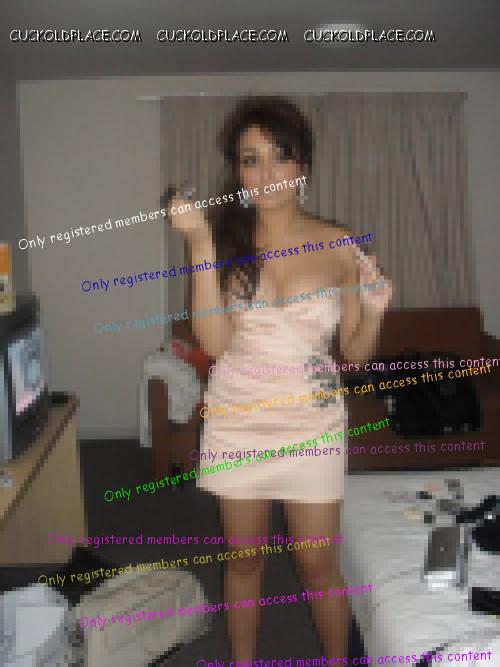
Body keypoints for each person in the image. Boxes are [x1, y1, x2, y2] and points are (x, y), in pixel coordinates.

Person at [168, 96, 392, 662]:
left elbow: (355, 355)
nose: (267, 174)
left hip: (312, 423)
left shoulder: (340, 245)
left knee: (318, 563)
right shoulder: (224, 243)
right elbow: (214, 344)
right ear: (238, 173)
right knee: (244, 560)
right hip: (239, 419)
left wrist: (374, 311)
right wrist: (198, 243)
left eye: (280, 156)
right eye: (251, 160)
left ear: (303, 166)